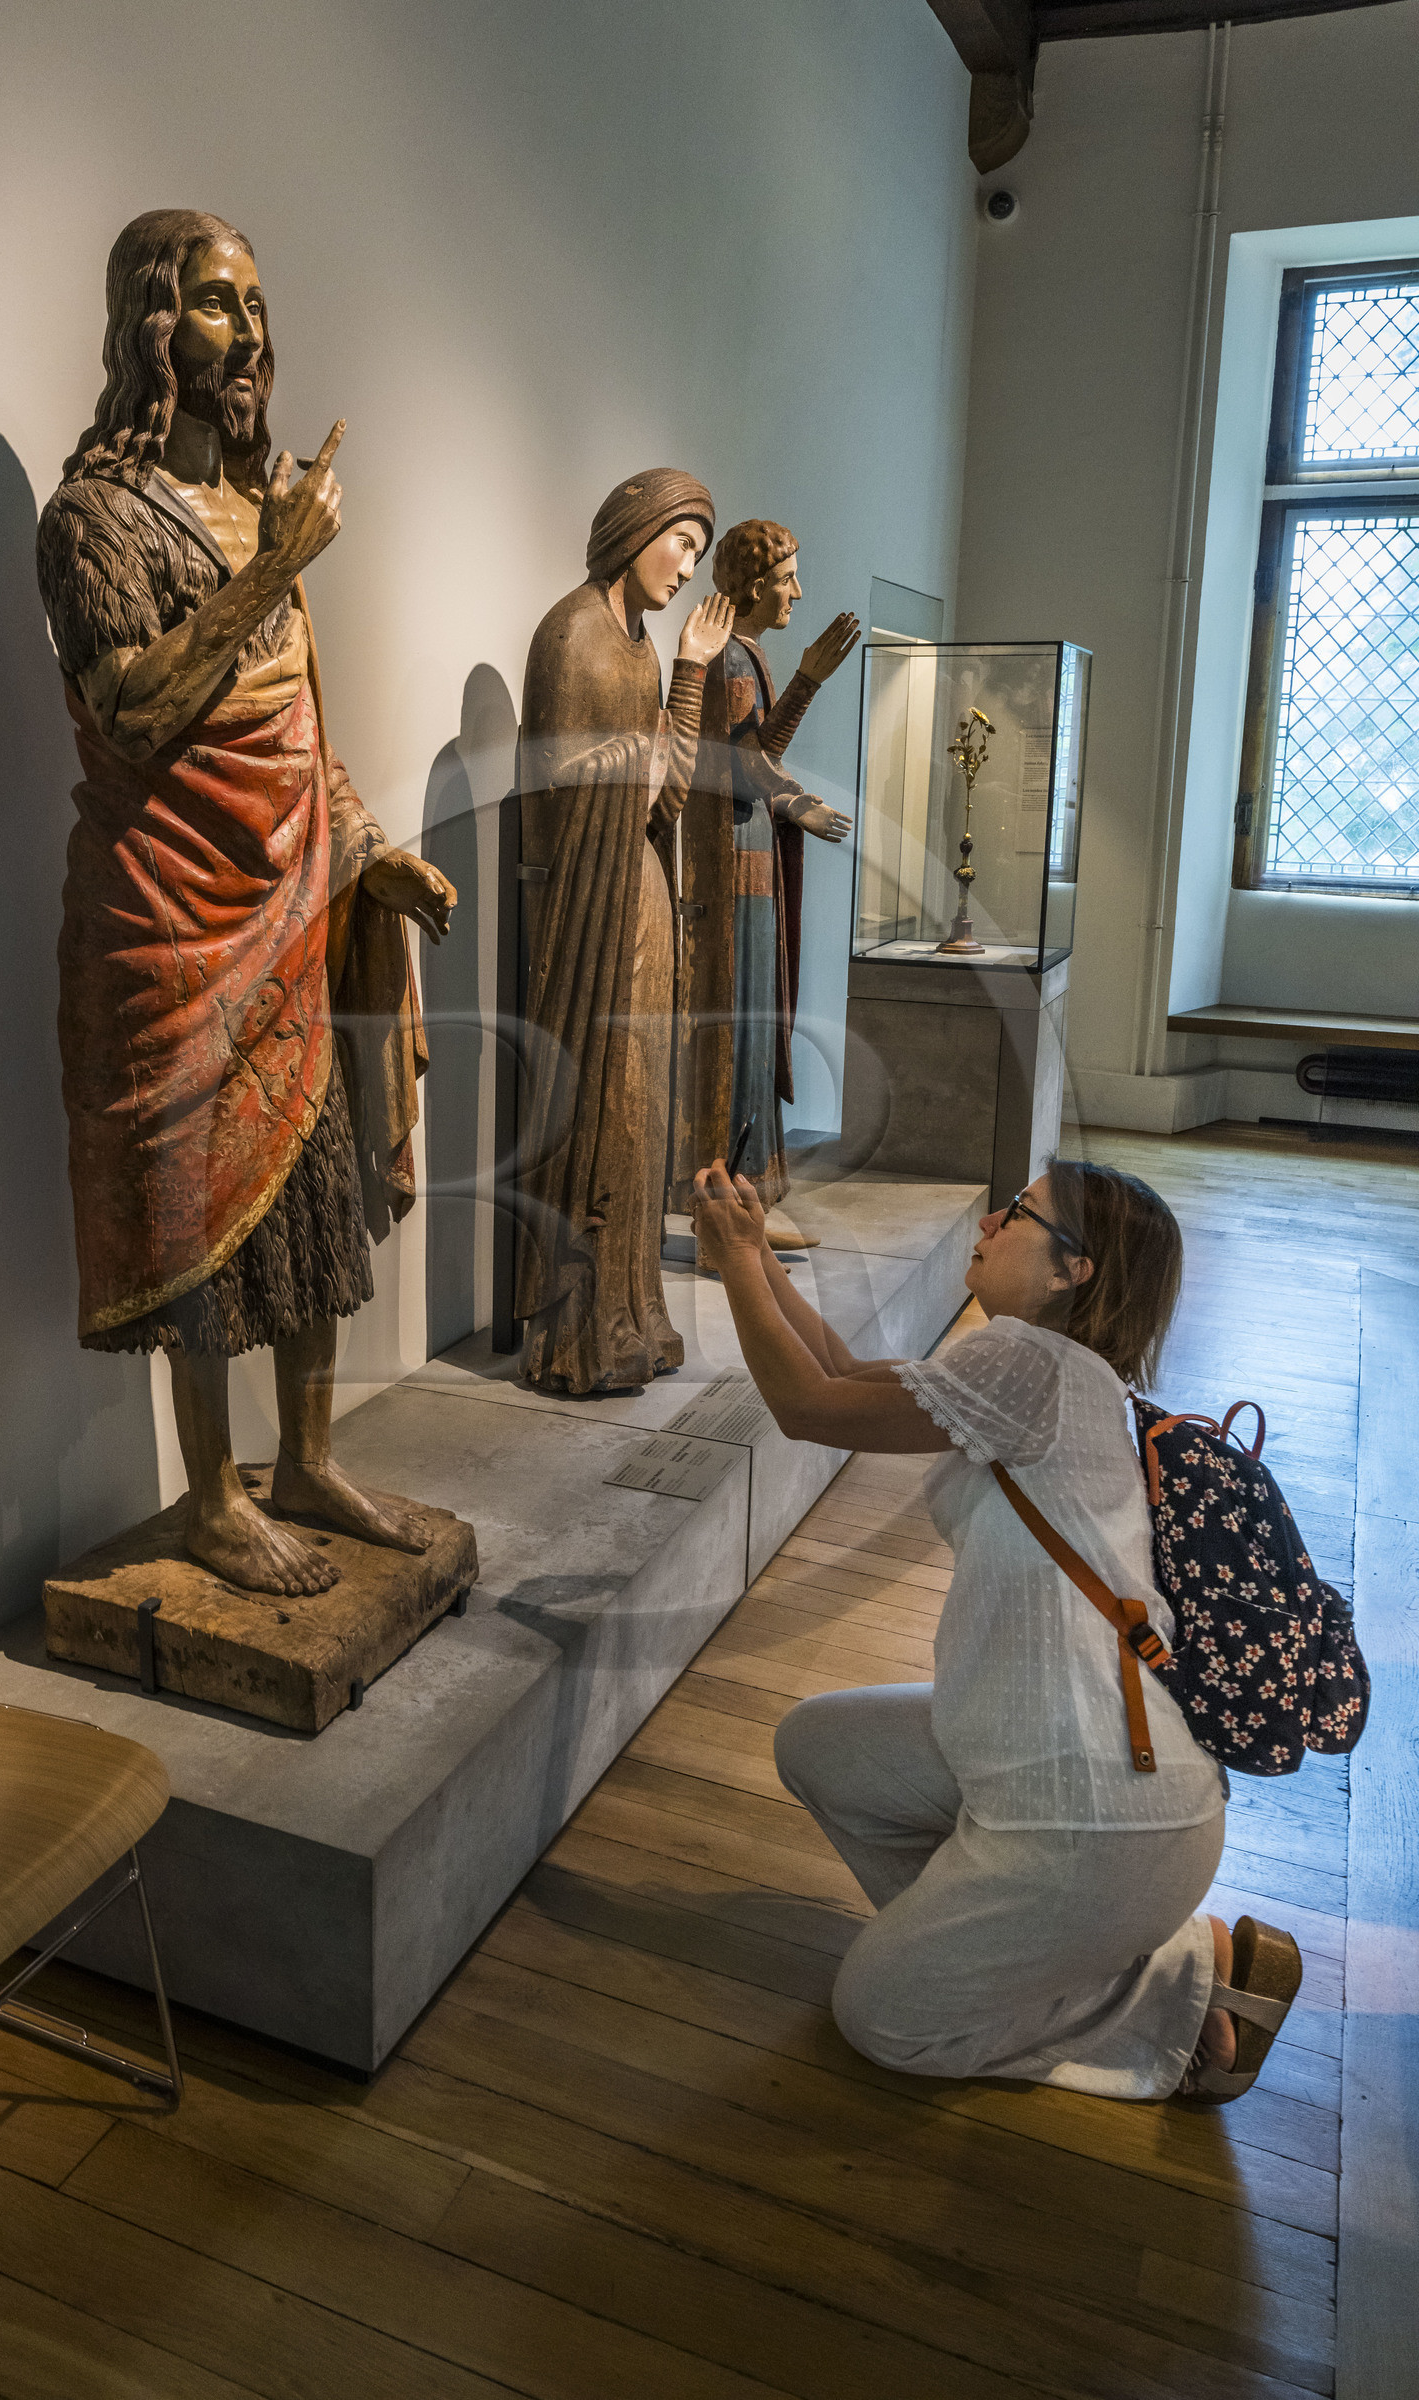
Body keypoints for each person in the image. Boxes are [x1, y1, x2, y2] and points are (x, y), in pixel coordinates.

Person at [37, 209, 456, 1597]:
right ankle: (213, 1495)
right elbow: (138, 706)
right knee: (198, 1213)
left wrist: (369, 850)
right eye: (219, 304)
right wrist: (279, 564)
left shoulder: (260, 500)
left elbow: (297, 737)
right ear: (154, 327)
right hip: (166, 923)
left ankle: (310, 1460)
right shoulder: (92, 520)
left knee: (311, 1194)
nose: (252, 334)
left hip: (284, 911)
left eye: (260, 305)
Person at [690, 1153, 1303, 2103]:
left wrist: (732, 1260)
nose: (987, 1222)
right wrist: (754, 1247)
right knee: (823, 1745)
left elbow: (809, 1406)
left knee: (881, 2019)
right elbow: (844, 1373)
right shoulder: (1058, 1376)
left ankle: (1177, 2002)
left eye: (1016, 1215)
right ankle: (1027, 1946)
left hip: (1100, 1814)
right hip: (1082, 1783)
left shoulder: (1030, 1362)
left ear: (1073, 1272)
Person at [513, 470, 734, 1394]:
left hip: (638, 887)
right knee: (601, 1109)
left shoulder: (641, 650)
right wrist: (642, 754)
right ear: (635, 532)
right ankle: (581, 1332)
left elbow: (668, 793)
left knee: (642, 1107)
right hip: (587, 901)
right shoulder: (571, 633)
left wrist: (687, 674)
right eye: (682, 541)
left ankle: (634, 1314)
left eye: (698, 550)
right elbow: (556, 783)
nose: (688, 566)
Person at [673, 521, 858, 1225]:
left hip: (750, 856)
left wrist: (807, 677)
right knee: (741, 1028)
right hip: (730, 861)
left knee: (755, 1022)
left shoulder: (745, 656)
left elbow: (760, 748)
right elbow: (737, 767)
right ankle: (729, 1205)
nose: (797, 593)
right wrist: (797, 802)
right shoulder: (724, 660)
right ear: (753, 586)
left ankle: (746, 1202)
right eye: (786, 580)